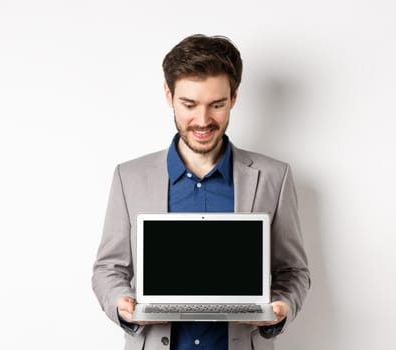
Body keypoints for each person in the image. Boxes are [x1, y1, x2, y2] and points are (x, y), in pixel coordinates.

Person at [92, 34, 310, 350]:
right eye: (189, 104)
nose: (203, 120)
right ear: (169, 94)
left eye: (217, 105)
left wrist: (281, 308)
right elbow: (108, 269)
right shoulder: (130, 177)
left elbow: (293, 271)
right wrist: (121, 304)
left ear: (234, 97)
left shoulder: (274, 177)